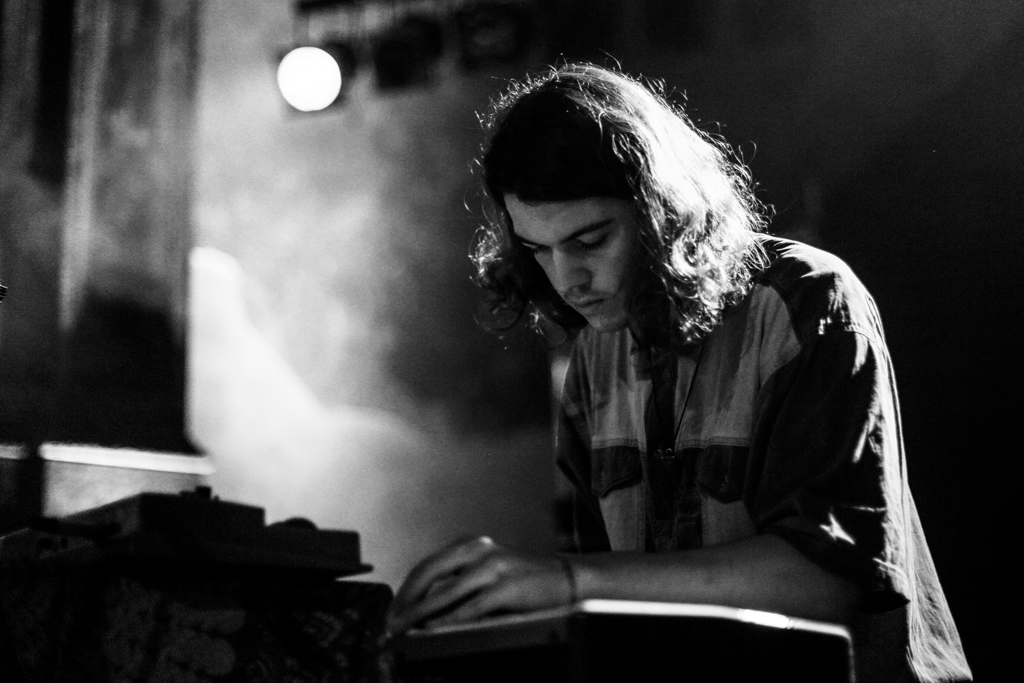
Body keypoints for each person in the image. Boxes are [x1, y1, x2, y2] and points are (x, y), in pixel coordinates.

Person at [384, 63, 971, 683]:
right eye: (538, 250)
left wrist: (565, 582)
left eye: (590, 240)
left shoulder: (808, 300)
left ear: (662, 210)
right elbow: (613, 619)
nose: (565, 280)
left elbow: (826, 582)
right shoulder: (591, 357)